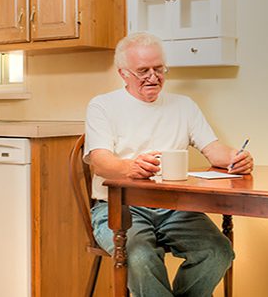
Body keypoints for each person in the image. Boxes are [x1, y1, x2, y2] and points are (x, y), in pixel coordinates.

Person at [85, 32, 253, 297]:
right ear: (123, 73)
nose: (153, 76)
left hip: (175, 207)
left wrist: (236, 157)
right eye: (143, 70)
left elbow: (214, 150)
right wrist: (130, 167)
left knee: (218, 251)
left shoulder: (183, 105)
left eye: (158, 68)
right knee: (140, 258)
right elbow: (100, 161)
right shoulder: (103, 106)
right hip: (118, 208)